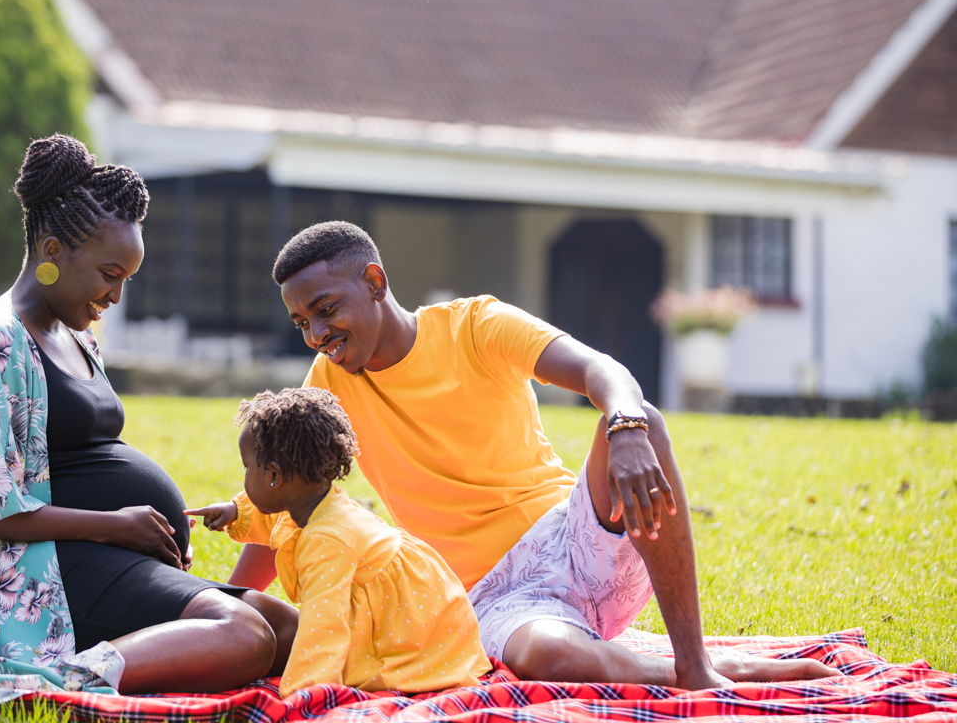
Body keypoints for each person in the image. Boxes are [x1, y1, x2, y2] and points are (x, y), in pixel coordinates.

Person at [228, 220, 839, 691]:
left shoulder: (476, 326)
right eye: (301, 321)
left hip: (575, 540)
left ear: (375, 282)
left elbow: (601, 370)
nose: (316, 335)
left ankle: (695, 659)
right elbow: (292, 498)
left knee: (643, 422)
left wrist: (623, 425)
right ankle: (684, 670)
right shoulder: (327, 382)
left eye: (325, 310)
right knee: (543, 657)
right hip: (488, 597)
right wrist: (227, 599)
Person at [0, 134, 296, 698]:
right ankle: (57, 681)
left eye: (126, 280)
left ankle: (113, 656)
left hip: (98, 557)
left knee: (289, 630)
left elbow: (86, 461)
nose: (115, 295)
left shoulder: (75, 335)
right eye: (108, 274)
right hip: (31, 573)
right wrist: (115, 525)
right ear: (51, 253)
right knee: (245, 637)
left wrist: (136, 533)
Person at [187, 388, 491, 697]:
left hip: (417, 647)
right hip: (437, 627)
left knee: (351, 659)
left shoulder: (326, 541)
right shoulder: (317, 503)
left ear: (275, 475)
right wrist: (235, 511)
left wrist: (302, 695)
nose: (245, 475)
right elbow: (278, 519)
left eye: (247, 467)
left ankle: (391, 670)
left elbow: (322, 626)